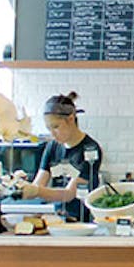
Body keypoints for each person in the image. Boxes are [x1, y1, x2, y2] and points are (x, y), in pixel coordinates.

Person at [21, 92, 102, 221]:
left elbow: (69, 194)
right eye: (49, 128)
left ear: (71, 119)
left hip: (82, 223)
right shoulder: (52, 147)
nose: (52, 134)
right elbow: (39, 184)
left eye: (56, 127)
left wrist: (36, 191)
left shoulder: (90, 149)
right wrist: (21, 187)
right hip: (57, 220)